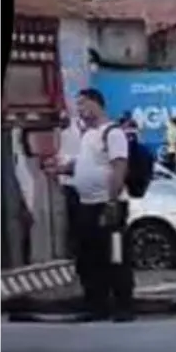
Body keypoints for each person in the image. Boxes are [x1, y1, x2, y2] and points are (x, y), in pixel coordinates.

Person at [51, 88, 134, 321]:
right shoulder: (88, 135)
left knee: (115, 256)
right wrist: (62, 169)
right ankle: (96, 304)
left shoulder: (113, 133)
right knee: (89, 257)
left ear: (97, 104)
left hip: (108, 206)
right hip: (86, 205)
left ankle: (123, 305)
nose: (80, 110)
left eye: (83, 104)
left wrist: (112, 200)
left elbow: (119, 166)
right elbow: (84, 163)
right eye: (78, 105)